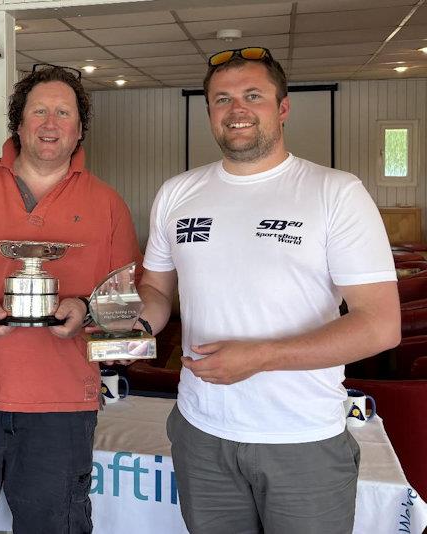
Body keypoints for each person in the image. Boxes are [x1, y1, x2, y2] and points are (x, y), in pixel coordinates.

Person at [137, 47, 401, 533]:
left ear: (282, 108)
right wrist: (128, 324)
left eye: (252, 96)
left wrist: (261, 356)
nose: (236, 110)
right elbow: (155, 289)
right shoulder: (177, 193)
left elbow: (380, 325)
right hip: (201, 433)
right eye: (221, 100)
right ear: (210, 112)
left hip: (301, 438)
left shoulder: (336, 192)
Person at [0, 65, 142, 534]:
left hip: (62, 407)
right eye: (39, 111)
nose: (50, 123)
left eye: (63, 112)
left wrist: (85, 309)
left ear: (79, 130)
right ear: (19, 123)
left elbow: (125, 299)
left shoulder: (107, 202)